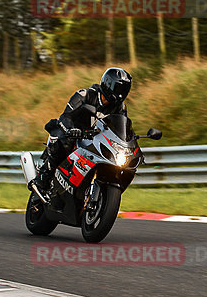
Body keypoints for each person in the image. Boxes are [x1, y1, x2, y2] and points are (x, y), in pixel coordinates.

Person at [29, 67, 132, 198]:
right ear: (108, 84)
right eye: (118, 89)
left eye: (124, 90)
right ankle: (43, 179)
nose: (121, 94)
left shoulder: (120, 107)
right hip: (74, 133)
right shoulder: (85, 95)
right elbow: (66, 116)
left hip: (96, 138)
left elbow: (120, 128)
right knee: (64, 142)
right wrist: (71, 129)